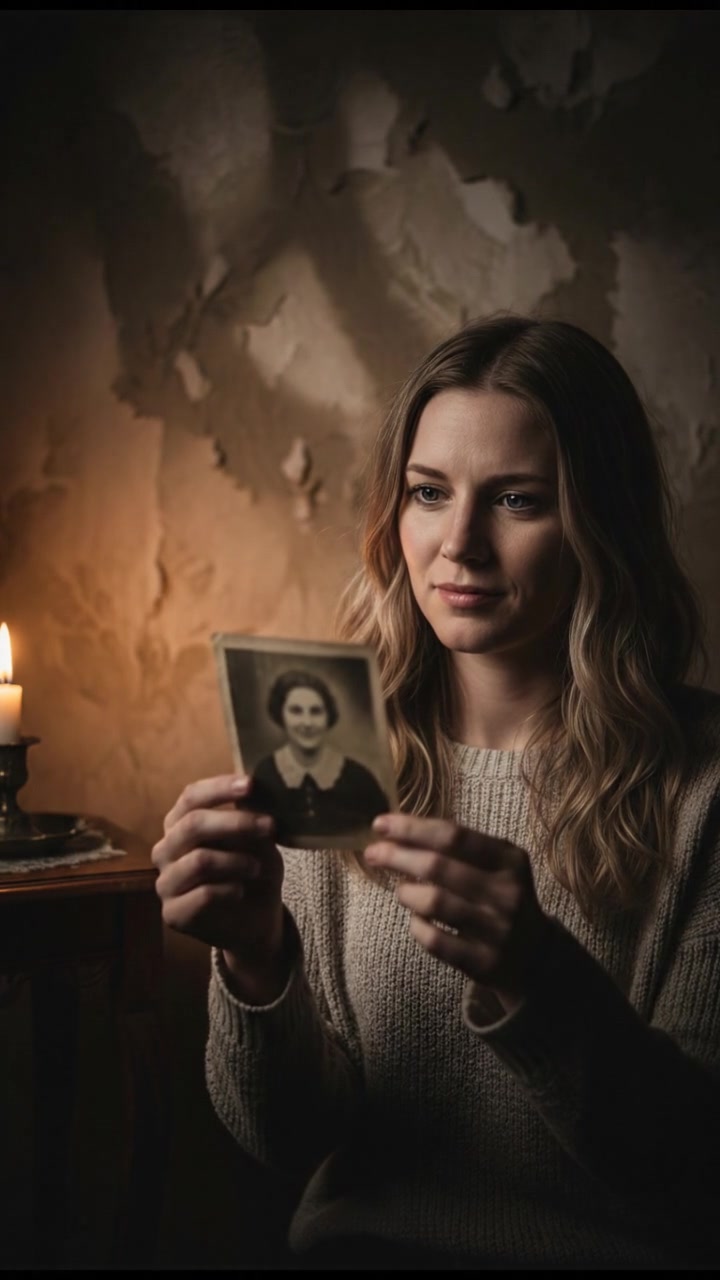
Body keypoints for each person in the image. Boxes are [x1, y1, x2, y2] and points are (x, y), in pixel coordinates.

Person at [152, 314, 720, 1271]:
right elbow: (286, 1143)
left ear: (600, 522)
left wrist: (538, 977)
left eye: (518, 500)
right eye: (428, 493)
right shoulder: (331, 760)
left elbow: (696, 1168)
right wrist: (256, 961)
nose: (460, 544)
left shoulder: (702, 785)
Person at [251, 668, 390, 840]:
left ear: (328, 716)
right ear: (280, 715)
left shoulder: (359, 778)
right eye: (296, 711)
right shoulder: (265, 773)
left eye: (316, 711)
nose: (307, 722)